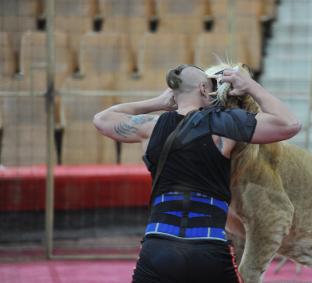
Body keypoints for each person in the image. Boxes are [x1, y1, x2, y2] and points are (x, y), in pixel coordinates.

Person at [93, 64, 301, 283]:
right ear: (203, 89)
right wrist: (250, 86)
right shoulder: (223, 125)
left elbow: (102, 119)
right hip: (207, 247)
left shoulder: (151, 127)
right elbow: (289, 124)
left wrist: (158, 102)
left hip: (158, 247)